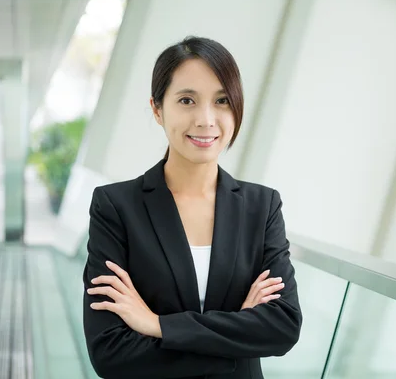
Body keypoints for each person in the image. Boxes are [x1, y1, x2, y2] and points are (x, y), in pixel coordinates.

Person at [82, 36, 302, 379]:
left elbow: (283, 327)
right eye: (187, 100)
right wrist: (236, 342)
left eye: (222, 101)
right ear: (157, 109)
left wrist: (157, 324)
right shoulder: (116, 207)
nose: (206, 119)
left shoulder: (262, 207)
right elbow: (109, 351)